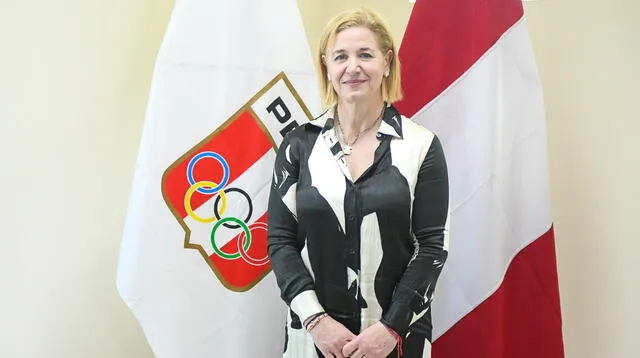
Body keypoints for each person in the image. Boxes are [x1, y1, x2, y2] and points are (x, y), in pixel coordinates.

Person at [267, 7, 450, 358]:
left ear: (386, 62)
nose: (352, 67)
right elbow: (280, 241)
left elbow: (432, 247)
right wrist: (316, 321)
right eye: (341, 57)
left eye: (365, 54)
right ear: (327, 67)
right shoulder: (298, 146)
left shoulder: (421, 147)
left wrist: (391, 328)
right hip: (313, 340)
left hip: (397, 342)